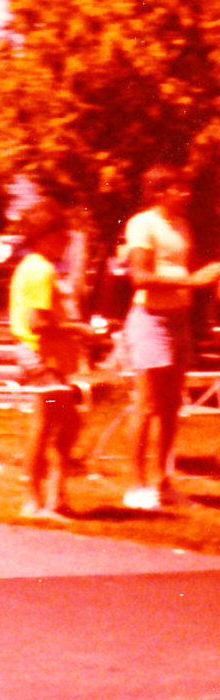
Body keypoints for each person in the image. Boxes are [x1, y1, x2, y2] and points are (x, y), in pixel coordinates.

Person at [120, 165, 220, 510]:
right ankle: (136, 487)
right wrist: (191, 282)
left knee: (171, 407)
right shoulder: (142, 224)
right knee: (147, 405)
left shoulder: (181, 225)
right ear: (159, 192)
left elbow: (182, 268)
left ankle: (162, 483)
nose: (187, 194)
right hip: (150, 321)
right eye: (179, 189)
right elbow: (139, 277)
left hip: (179, 320)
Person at [8, 200, 96, 518]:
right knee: (46, 425)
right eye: (62, 235)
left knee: (68, 423)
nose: (67, 241)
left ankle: (54, 496)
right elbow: (37, 323)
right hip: (40, 355)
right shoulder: (40, 270)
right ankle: (34, 500)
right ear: (43, 235)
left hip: (50, 357)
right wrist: (77, 329)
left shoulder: (36, 266)